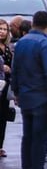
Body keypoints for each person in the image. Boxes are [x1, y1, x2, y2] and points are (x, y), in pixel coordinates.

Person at [11, 11, 47, 169]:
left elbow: (15, 69)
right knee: (40, 137)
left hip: (25, 95)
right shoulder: (45, 43)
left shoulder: (21, 43)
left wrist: (16, 91)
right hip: (42, 96)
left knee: (28, 135)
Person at [0, 19, 13, 159]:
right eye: (0, 29)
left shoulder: (8, 48)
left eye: (4, 29)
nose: (2, 32)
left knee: (3, 117)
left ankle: (1, 146)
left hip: (6, 87)